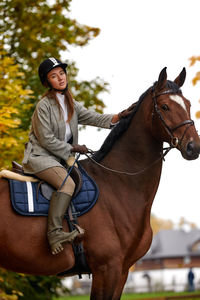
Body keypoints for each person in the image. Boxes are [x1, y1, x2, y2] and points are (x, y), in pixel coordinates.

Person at [22, 57, 134, 255]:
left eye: (62, 74)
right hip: (39, 157)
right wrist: (72, 149)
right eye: (54, 76)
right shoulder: (43, 107)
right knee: (67, 184)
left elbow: (93, 117)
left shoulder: (70, 102)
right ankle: (55, 232)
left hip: (58, 158)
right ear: (47, 82)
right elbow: (46, 140)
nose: (60, 78)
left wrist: (118, 117)